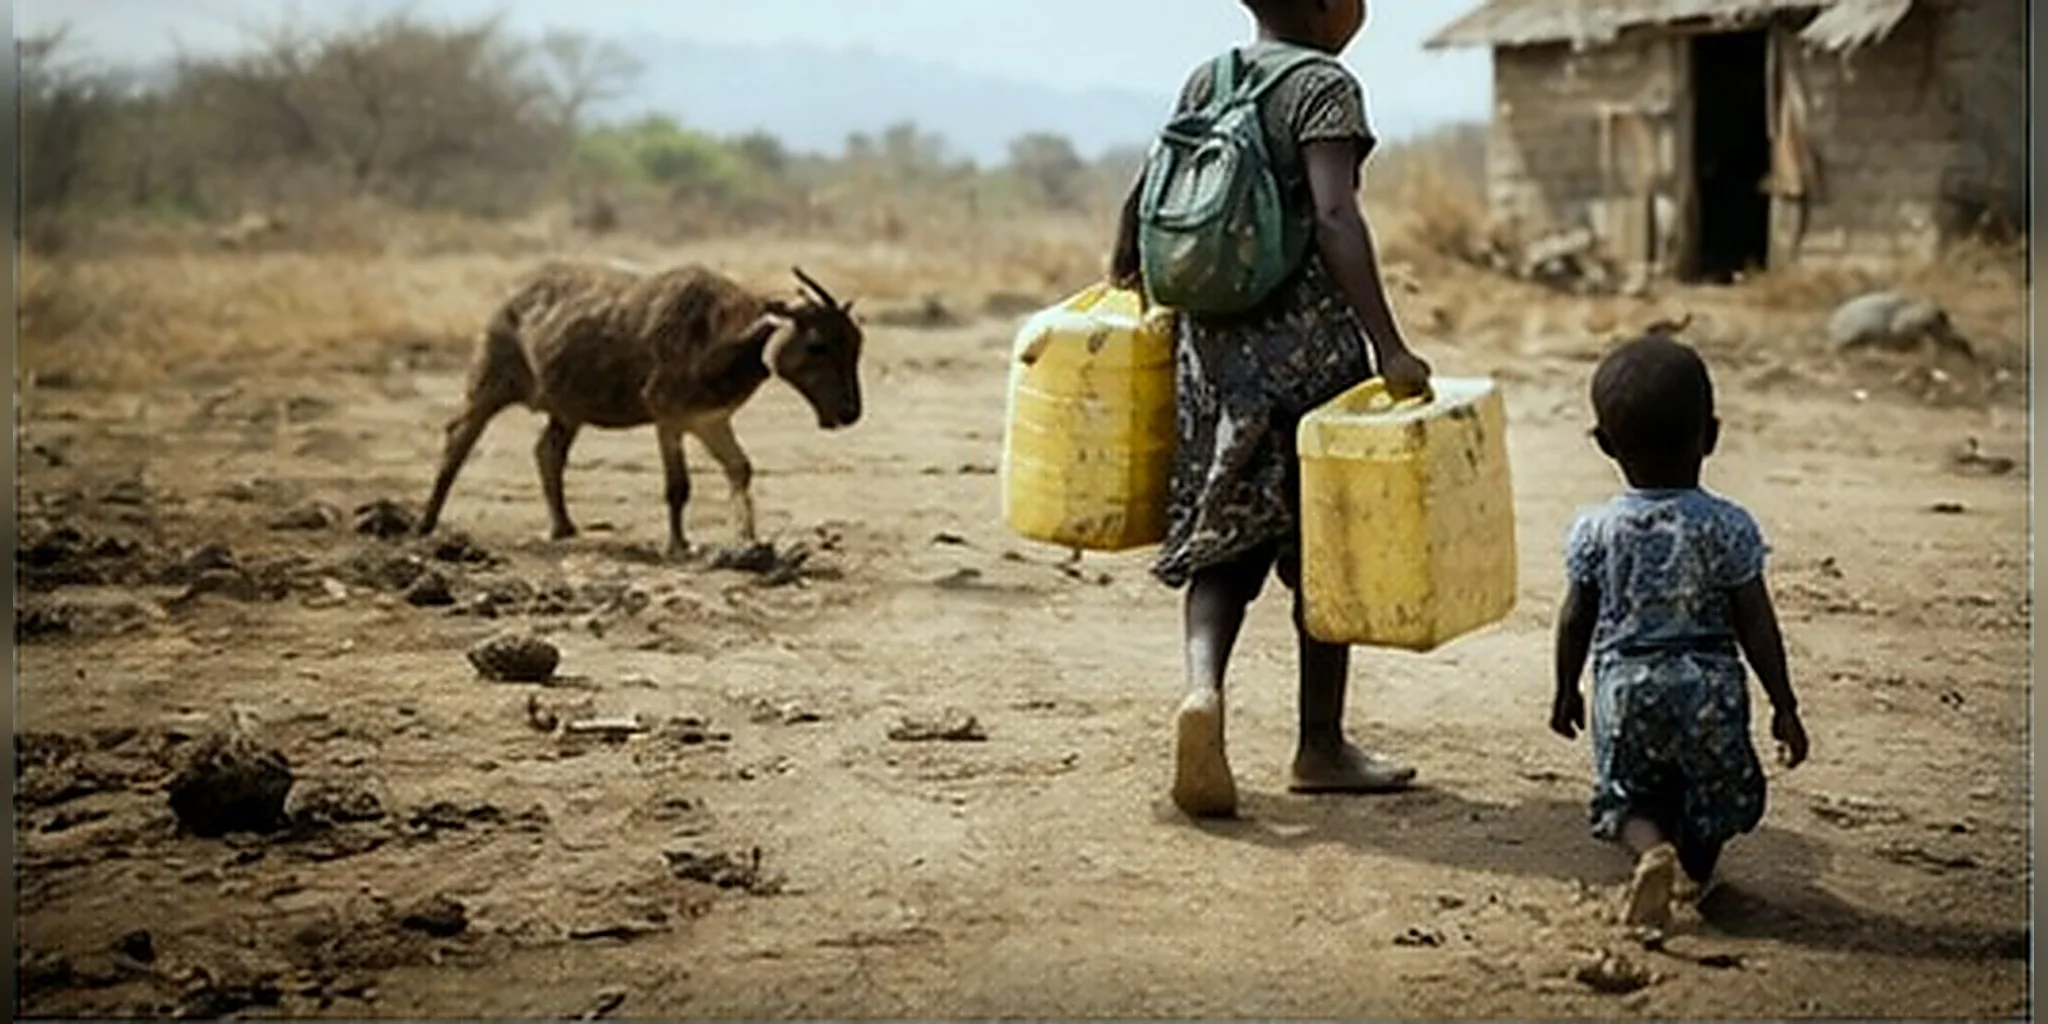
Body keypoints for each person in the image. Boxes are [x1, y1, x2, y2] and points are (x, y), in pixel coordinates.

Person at [1107, 0, 1433, 819]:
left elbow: (1142, 195)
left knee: (1227, 534)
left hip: (1209, 353)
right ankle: (1319, 744)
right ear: (1329, 6)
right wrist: (1389, 345)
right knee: (1327, 547)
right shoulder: (1325, 85)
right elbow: (1333, 215)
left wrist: (1125, 277)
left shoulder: (1209, 76)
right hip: (1306, 353)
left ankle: (1202, 693)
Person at [1549, 329, 1810, 927]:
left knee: (1628, 798)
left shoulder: (1595, 530)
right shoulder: (1729, 526)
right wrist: (1784, 704)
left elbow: (1575, 617)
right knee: (1716, 795)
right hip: (1710, 690)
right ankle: (1694, 864)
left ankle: (1652, 851)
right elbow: (1756, 622)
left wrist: (1567, 688)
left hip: (1626, 686)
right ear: (1711, 435)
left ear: (1605, 444)